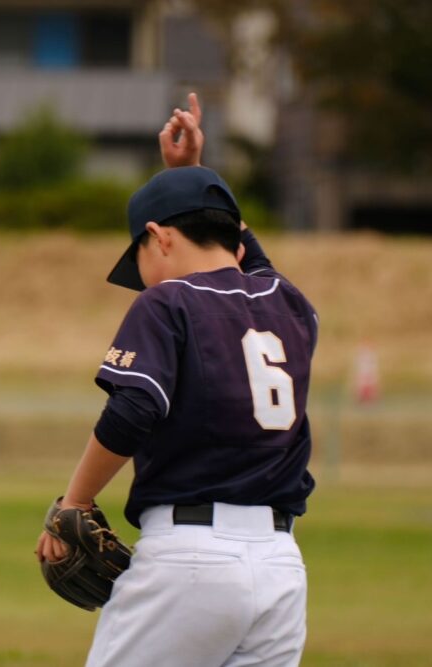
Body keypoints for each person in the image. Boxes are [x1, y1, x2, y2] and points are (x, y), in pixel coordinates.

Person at [36, 93, 318, 667]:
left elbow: (134, 411)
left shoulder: (169, 302)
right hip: (281, 567)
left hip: (191, 560)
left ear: (159, 237)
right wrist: (192, 179)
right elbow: (238, 245)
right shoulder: (289, 302)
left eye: (139, 252)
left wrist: (74, 503)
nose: (139, 275)